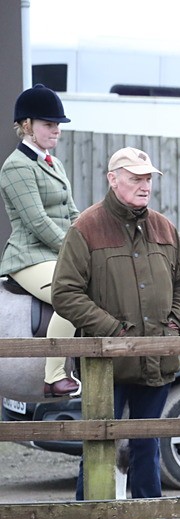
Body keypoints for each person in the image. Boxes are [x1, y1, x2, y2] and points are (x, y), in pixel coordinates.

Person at [52, 146, 180, 519]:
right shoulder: (86, 229)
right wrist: (113, 331)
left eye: (148, 178)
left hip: (157, 358)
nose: (144, 185)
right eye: (135, 178)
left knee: (148, 445)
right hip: (106, 364)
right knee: (98, 444)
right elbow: (65, 292)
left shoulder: (165, 228)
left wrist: (175, 324)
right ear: (112, 179)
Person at [0, 84, 81, 397]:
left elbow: (72, 213)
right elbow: (37, 222)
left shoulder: (53, 163)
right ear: (26, 126)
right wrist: (76, 253)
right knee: (71, 296)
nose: (56, 130)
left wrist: (91, 243)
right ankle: (55, 375)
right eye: (49, 124)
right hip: (29, 257)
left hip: (58, 254)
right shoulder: (16, 166)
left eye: (58, 125)